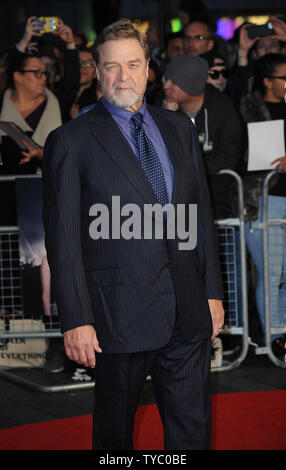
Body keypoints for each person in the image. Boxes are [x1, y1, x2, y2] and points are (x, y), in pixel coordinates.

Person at [43, 18, 224, 450]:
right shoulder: (70, 141)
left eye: (133, 64)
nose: (123, 76)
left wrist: (212, 291)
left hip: (187, 306)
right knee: (114, 438)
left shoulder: (178, 127)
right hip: (115, 314)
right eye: (111, 67)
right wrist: (76, 319)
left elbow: (198, 216)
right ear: (99, 71)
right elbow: (63, 238)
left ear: (148, 69)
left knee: (191, 432)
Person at [240, 53, 286, 358]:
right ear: (268, 80)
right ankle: (275, 338)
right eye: (284, 77)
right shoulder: (248, 107)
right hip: (263, 198)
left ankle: (283, 332)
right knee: (271, 271)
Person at [163, 54, 242, 219]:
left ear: (191, 84)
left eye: (174, 82)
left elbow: (229, 155)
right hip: (176, 203)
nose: (166, 86)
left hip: (216, 200)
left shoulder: (223, 108)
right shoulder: (163, 108)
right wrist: (167, 120)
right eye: (167, 79)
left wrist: (189, 168)